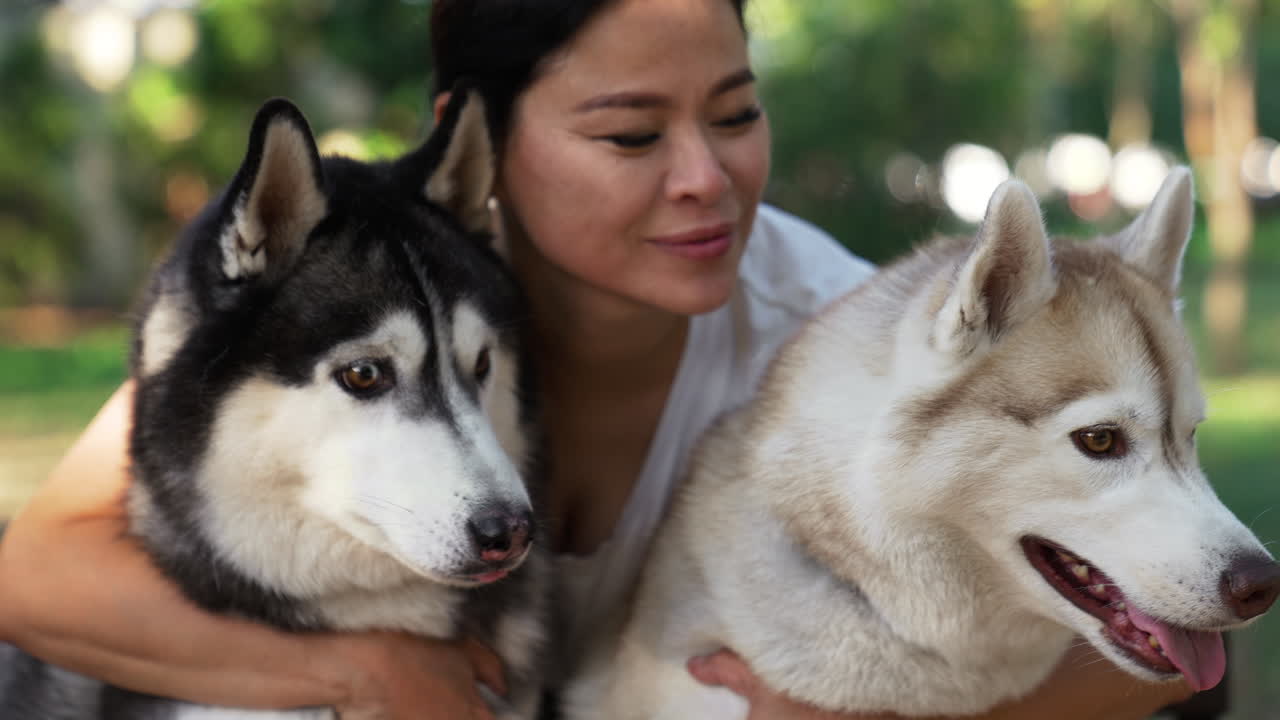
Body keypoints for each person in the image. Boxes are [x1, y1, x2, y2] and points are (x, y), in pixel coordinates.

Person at [0, 1, 1197, 718]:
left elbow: (1173, 634)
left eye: (734, 114)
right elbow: (37, 576)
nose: (704, 178)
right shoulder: (379, 290)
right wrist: (369, 674)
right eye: (630, 134)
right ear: (471, 137)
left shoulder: (841, 341)